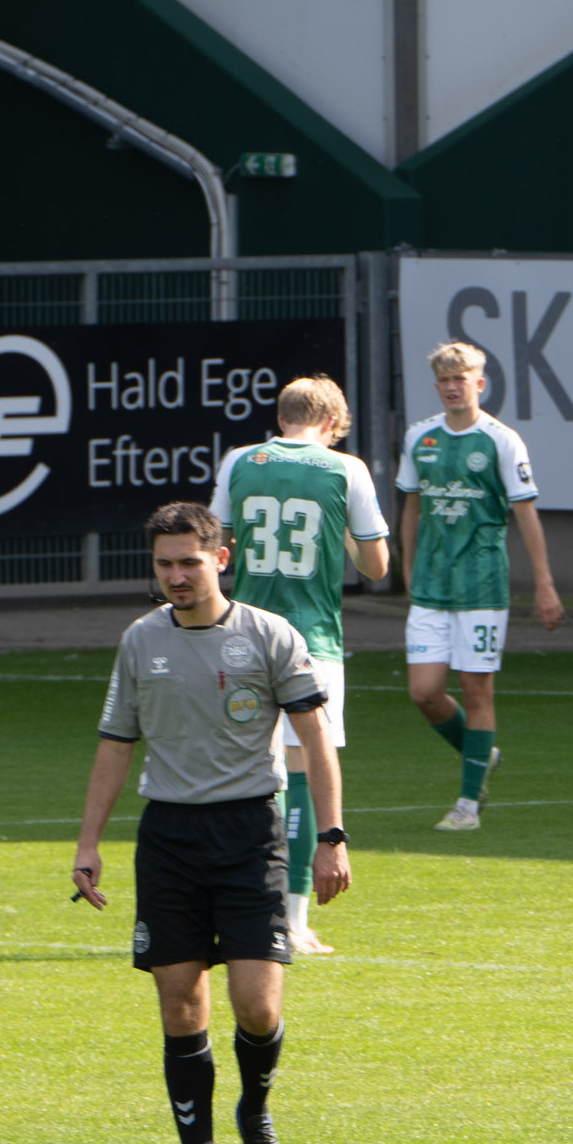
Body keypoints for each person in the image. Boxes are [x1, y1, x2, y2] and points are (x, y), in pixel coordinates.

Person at [72, 501, 351, 1144]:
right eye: (164, 564)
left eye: (189, 562)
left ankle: (254, 1111)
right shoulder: (140, 641)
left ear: (220, 558)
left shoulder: (269, 635)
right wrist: (88, 841)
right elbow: (114, 743)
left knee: (257, 1006)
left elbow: (316, 740)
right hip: (169, 836)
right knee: (179, 1000)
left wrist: (330, 837)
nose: (176, 576)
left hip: (251, 832)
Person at [212, 375, 388, 956]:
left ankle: (224, 901)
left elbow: (218, 546)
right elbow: (377, 566)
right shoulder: (346, 469)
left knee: (237, 770)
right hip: (310, 640)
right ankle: (291, 917)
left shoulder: (239, 460)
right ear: (334, 424)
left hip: (242, 635)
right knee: (305, 768)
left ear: (282, 414)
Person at [397, 341, 564, 832]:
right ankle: (480, 754)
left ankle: (468, 804)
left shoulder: (501, 440)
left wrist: (545, 585)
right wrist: (408, 570)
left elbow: (526, 514)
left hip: (482, 586)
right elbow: (410, 507)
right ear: (437, 386)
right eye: (444, 380)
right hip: (430, 585)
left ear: (479, 383)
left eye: (460, 378)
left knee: (475, 690)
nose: (452, 387)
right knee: (424, 693)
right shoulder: (419, 438)